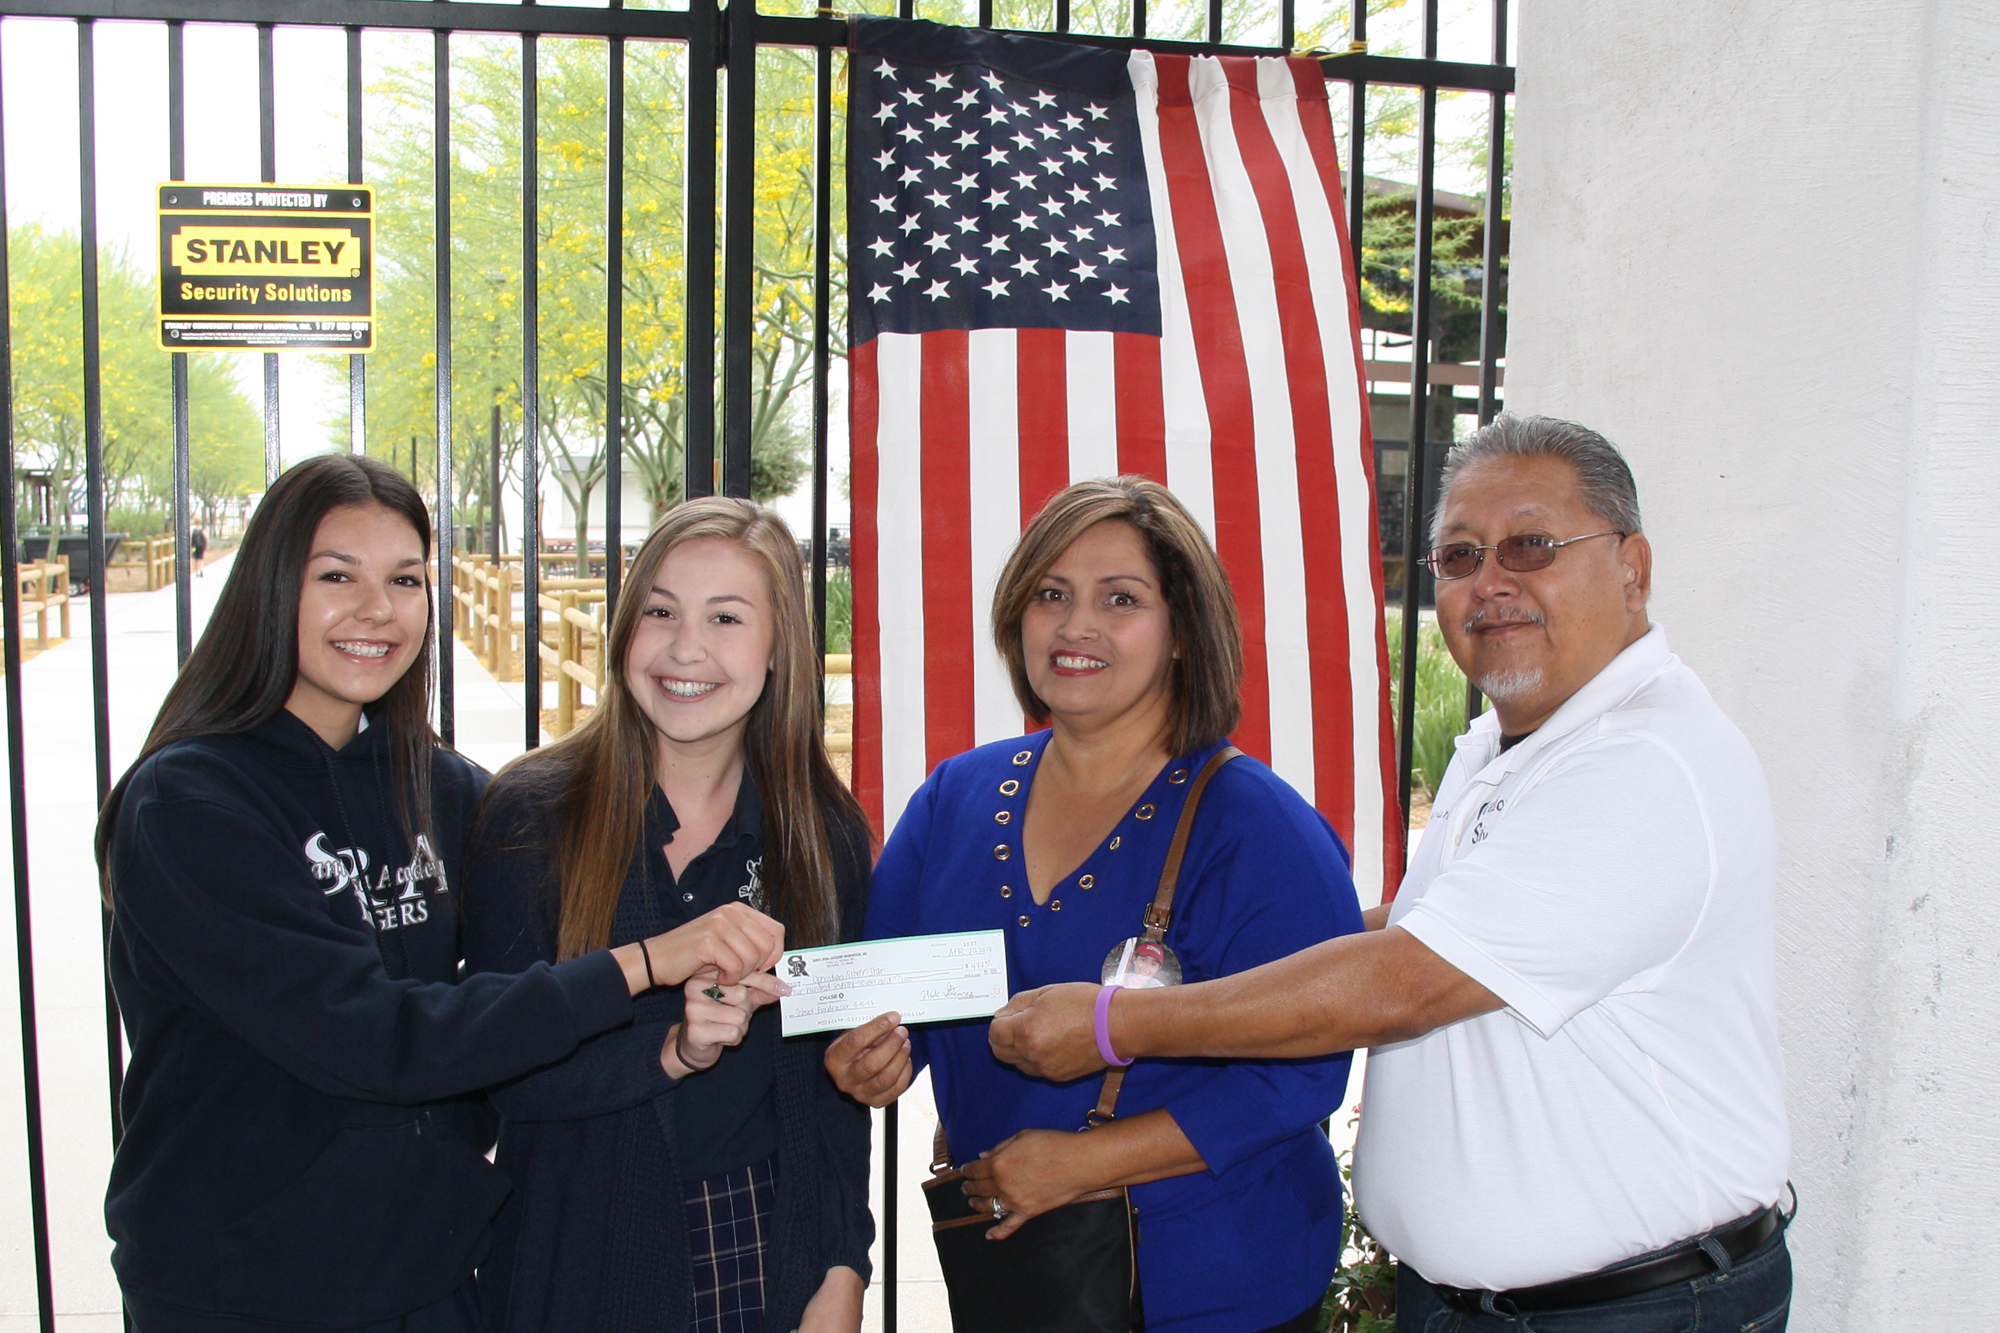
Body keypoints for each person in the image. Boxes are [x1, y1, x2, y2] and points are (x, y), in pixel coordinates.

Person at [990, 416, 1793, 1332]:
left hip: (1630, 1308)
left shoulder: (1642, 763)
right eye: (1460, 556)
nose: (1491, 582)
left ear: (1632, 568)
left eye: (1531, 546)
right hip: (1478, 1302)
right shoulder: (1507, 742)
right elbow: (1420, 928)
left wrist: (1112, 1021)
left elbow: (1408, 983)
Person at [96, 455, 786, 1333]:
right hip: (239, 1284)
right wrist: (646, 961)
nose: (375, 609)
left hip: (429, 1278)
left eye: (405, 579)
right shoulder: (190, 803)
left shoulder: (447, 790)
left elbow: (514, 1008)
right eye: (337, 576)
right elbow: (376, 1035)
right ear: (270, 586)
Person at [828, 477, 1364, 1333]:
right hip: (1022, 1278)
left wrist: (1087, 1162)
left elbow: (1305, 1072)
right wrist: (877, 1055)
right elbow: (898, 998)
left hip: (1218, 1287)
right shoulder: (954, 799)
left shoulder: (1261, 827)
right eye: (1051, 594)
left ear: (1182, 631)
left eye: (1121, 599)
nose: (1076, 625)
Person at [462, 498, 874, 1333]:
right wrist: (672, 1048)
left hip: (761, 1241)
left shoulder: (819, 830)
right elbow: (499, 1067)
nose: (686, 648)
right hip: (575, 1245)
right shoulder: (533, 814)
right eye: (659, 611)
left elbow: (830, 1091)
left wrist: (843, 1265)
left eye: (726, 617)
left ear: (778, 648)